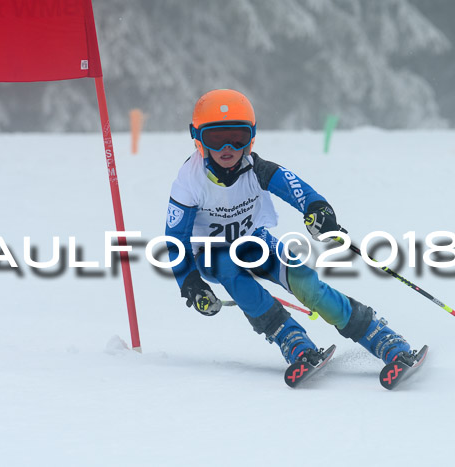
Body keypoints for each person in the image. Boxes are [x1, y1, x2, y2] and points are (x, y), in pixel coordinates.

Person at [165, 89, 414, 367]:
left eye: (238, 138)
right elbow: (175, 239)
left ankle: (379, 336)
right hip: (210, 254)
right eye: (216, 138)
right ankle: (291, 339)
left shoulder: (257, 169)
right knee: (229, 269)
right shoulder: (189, 182)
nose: (228, 149)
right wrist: (190, 283)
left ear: (252, 137)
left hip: (254, 242)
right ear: (198, 138)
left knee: (306, 284)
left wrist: (319, 212)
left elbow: (302, 193)